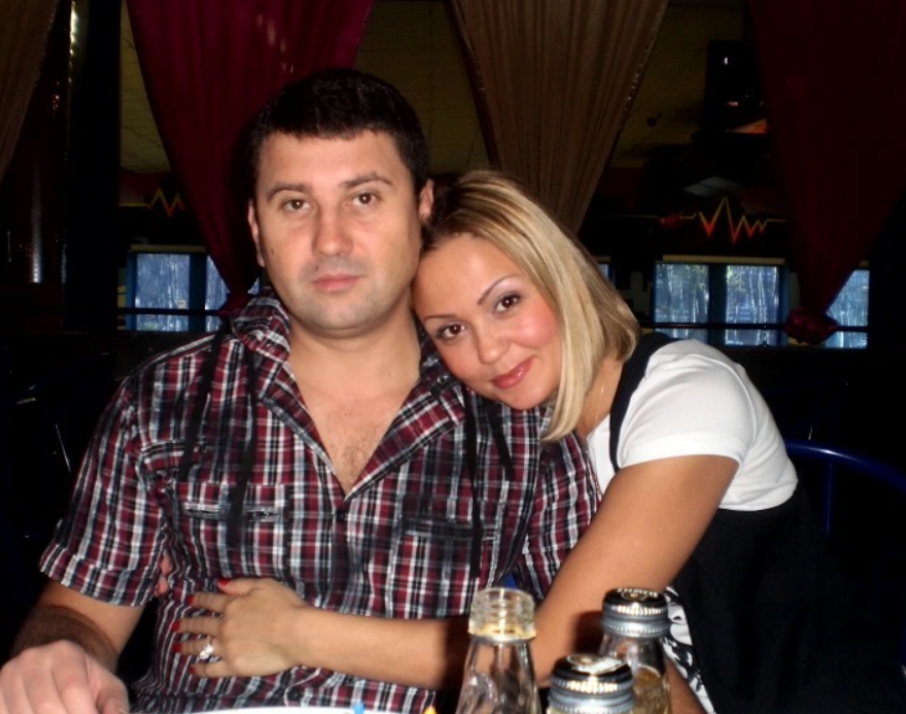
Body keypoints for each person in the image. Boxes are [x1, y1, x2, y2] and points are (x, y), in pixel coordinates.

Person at [173, 169, 906, 714]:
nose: (488, 350)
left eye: (507, 301)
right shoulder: (527, 433)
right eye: (450, 330)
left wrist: (296, 633)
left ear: (561, 276)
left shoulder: (687, 391)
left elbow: (554, 646)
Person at [0, 76, 598, 714]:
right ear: (256, 229)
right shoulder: (165, 397)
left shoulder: (515, 413)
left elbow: (582, 637)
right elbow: (81, 612)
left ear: (423, 208)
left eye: (363, 198)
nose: (330, 240)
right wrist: (57, 654)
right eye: (294, 204)